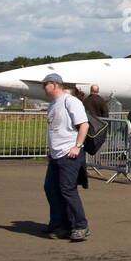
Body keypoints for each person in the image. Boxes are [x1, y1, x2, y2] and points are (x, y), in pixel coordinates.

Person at [41, 73, 91, 241]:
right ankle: (60, 225)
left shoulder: (70, 101)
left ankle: (80, 226)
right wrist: (50, 150)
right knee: (51, 189)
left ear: (55, 85)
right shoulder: (52, 105)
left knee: (67, 190)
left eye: (45, 84)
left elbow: (84, 124)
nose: (43, 88)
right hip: (56, 154)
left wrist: (77, 146)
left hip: (69, 153)